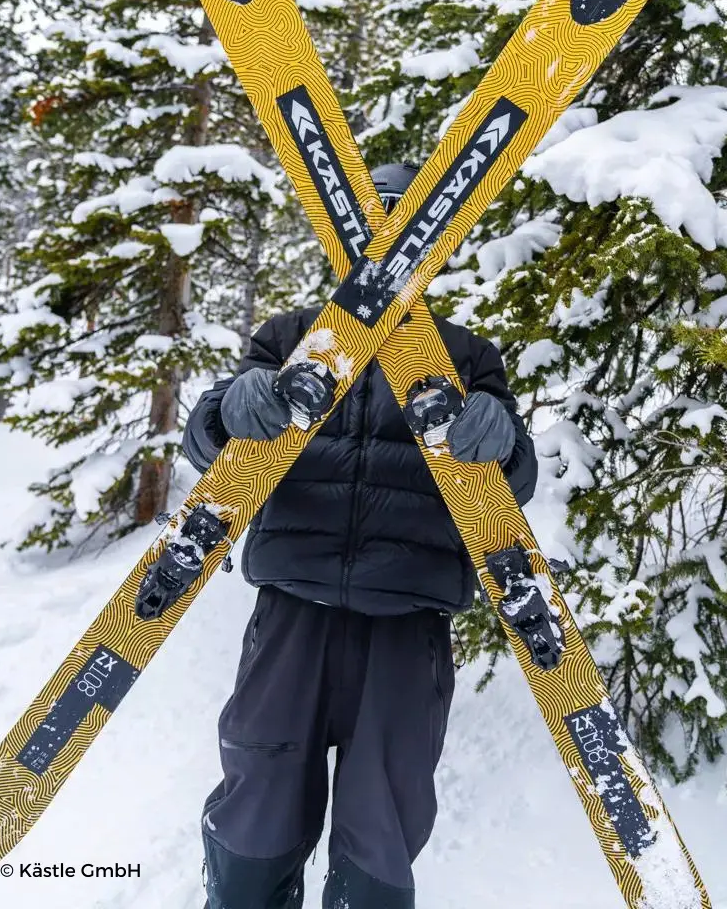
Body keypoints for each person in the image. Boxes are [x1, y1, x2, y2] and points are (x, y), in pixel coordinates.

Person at [182, 162, 538, 909]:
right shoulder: (291, 338)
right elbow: (208, 441)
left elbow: (515, 478)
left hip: (407, 627)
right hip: (293, 615)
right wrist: (227, 408)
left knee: (385, 816)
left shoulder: (465, 356)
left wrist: (500, 435)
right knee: (259, 800)